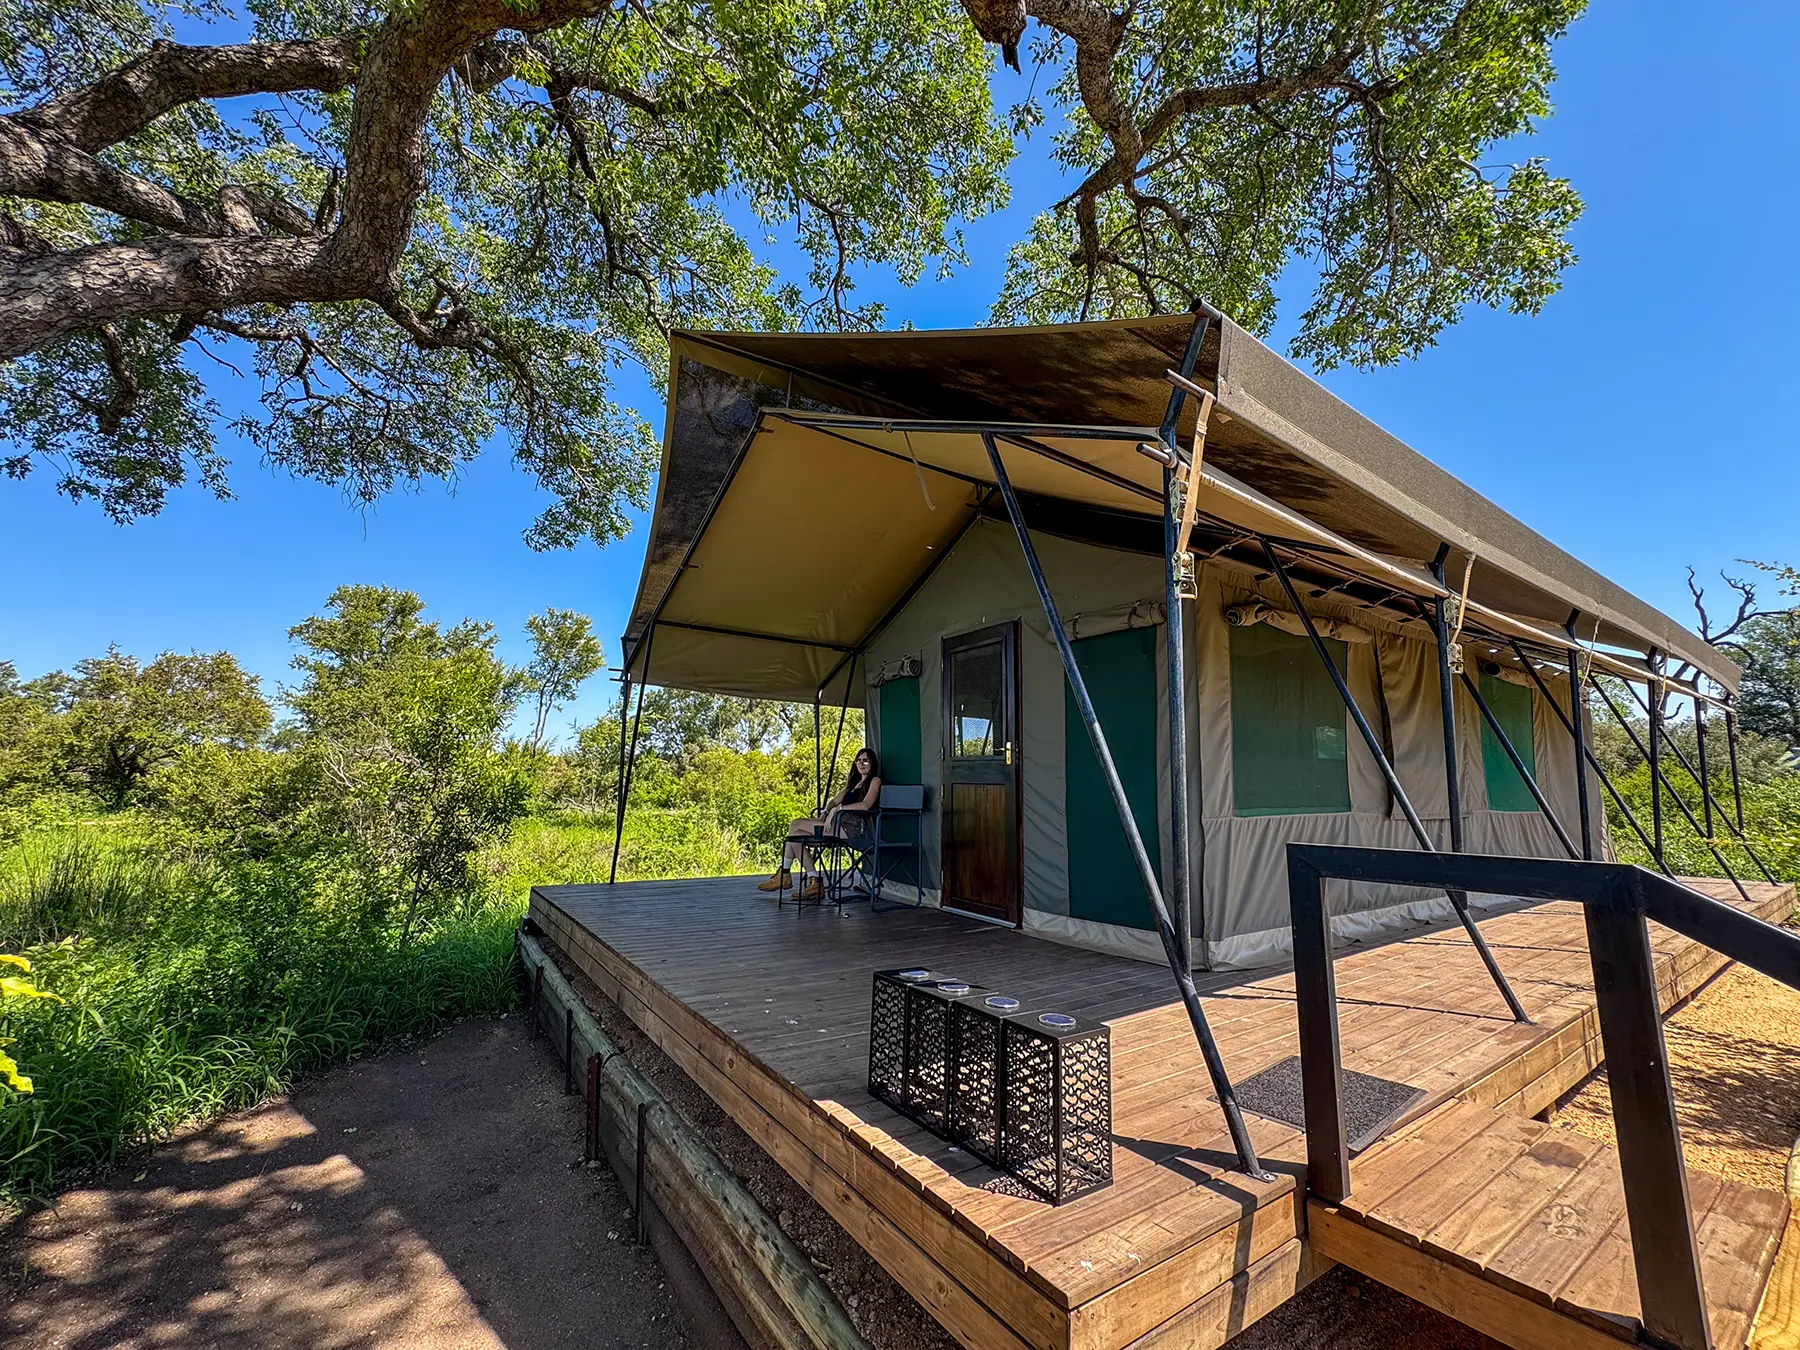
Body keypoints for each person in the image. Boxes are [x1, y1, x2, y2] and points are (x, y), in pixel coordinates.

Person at [760, 747, 882, 900]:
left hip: (854, 829)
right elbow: (834, 801)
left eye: (865, 760)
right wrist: (826, 811)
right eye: (858, 760)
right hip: (838, 825)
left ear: (872, 763)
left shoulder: (874, 780)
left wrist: (839, 809)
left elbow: (866, 805)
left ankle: (785, 874)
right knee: (795, 836)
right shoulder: (853, 784)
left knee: (796, 824)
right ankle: (815, 882)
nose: (861, 763)